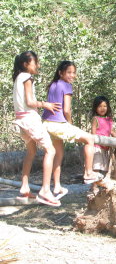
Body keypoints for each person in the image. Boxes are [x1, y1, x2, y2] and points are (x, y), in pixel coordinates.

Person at [42, 61, 103, 192]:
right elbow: (67, 110)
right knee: (90, 139)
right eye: (69, 72)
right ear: (60, 73)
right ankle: (88, 173)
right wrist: (69, 123)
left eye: (74, 72)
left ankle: (57, 186)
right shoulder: (67, 86)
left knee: (58, 155)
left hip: (46, 123)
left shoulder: (53, 84)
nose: (72, 75)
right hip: (58, 124)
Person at [12, 51, 61, 206]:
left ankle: (24, 187)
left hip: (20, 119)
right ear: (26, 64)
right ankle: (45, 190)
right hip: (30, 118)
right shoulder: (27, 77)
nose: (38, 65)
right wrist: (45, 104)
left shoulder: (18, 78)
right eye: (35, 62)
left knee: (31, 151)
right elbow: (31, 102)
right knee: (51, 150)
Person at [89, 96, 116, 196]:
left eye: (105, 106)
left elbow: (112, 132)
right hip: (97, 147)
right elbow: (93, 133)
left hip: (106, 148)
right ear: (96, 108)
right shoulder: (95, 119)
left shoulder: (109, 120)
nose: (103, 108)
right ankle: (93, 187)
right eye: (100, 106)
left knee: (105, 168)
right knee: (96, 167)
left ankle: (103, 186)